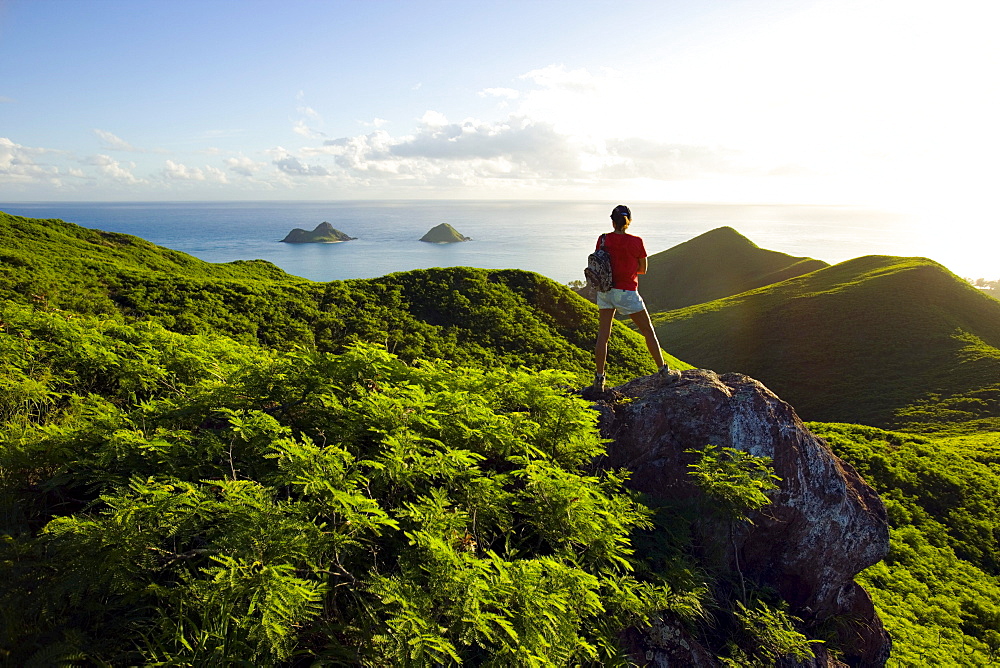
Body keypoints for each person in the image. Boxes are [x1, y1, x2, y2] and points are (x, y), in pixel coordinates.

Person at [592, 204, 681, 393]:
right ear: (629, 221)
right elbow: (643, 269)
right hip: (626, 292)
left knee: (603, 336)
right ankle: (664, 373)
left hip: (605, 291)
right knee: (648, 332)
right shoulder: (636, 241)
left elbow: (599, 263)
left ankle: (599, 380)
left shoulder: (603, 239)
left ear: (612, 221)